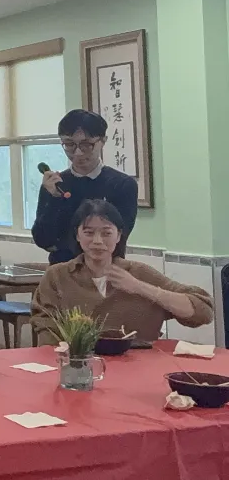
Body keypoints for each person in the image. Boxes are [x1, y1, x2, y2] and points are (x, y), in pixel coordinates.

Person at [31, 199, 212, 343]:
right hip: (79, 367)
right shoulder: (57, 276)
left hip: (138, 368)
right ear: (77, 235)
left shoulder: (139, 273)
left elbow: (202, 310)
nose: (97, 241)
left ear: (118, 235)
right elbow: (45, 331)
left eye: (106, 233)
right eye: (88, 232)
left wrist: (139, 287)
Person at [32, 110, 138, 264]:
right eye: (69, 144)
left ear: (103, 141)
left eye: (86, 144)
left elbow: (115, 239)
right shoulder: (54, 185)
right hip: (61, 272)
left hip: (107, 271)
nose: (78, 152)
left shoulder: (122, 184)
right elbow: (43, 240)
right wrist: (54, 200)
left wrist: (62, 243)